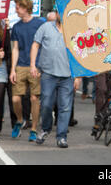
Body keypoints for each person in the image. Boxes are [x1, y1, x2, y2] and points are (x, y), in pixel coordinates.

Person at [30, 11, 79, 148]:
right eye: (58, 11)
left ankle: (62, 137)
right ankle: (45, 129)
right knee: (45, 104)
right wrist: (33, 65)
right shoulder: (45, 27)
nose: (61, 13)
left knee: (65, 107)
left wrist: (78, 76)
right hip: (48, 73)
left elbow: (80, 53)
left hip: (68, 75)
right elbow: (35, 45)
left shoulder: (74, 29)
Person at [9, 0, 45, 141]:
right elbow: (15, 49)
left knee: (34, 98)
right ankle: (20, 120)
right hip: (20, 66)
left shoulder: (39, 24)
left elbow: (43, 45)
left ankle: (34, 129)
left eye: (17, 7)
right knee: (16, 99)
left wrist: (40, 65)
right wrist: (12, 69)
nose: (16, 10)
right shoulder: (16, 27)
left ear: (24, 8)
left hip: (36, 66)